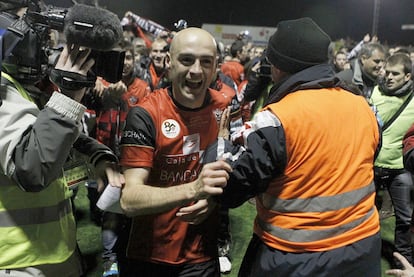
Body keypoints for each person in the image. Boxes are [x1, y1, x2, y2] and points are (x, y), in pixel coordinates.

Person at [199, 17, 382, 276]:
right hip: (362, 249)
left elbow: (228, 190)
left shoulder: (275, 119)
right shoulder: (363, 106)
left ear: (277, 66)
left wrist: (220, 141)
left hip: (294, 257)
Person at [0, 20, 124, 277]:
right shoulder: (4, 88)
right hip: (14, 262)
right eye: (42, 43)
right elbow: (31, 167)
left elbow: (61, 142)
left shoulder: (27, 88)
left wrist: (98, 157)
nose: (49, 53)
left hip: (56, 252)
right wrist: (68, 95)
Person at [119, 27, 232, 276]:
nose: (196, 71)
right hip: (151, 255)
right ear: (169, 63)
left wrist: (212, 200)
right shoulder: (146, 114)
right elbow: (129, 199)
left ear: (215, 68)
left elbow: (224, 162)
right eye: (187, 60)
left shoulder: (222, 107)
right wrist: (193, 190)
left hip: (202, 253)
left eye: (206, 62)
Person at [84, 40, 151, 277]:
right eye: (119, 58)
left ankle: (118, 257)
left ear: (136, 59)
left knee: (127, 213)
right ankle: (111, 260)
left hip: (133, 160)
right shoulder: (98, 84)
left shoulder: (143, 88)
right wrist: (102, 98)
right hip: (103, 158)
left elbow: (147, 122)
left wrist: (122, 100)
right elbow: (87, 122)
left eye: (129, 57)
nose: (125, 64)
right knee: (106, 211)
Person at [370, 53, 414, 267]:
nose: (388, 77)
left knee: (405, 218)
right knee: (364, 215)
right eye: (387, 72)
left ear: (407, 77)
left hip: (400, 169)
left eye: (395, 74)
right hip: (372, 166)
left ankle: (402, 261)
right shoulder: (375, 92)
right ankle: (366, 254)